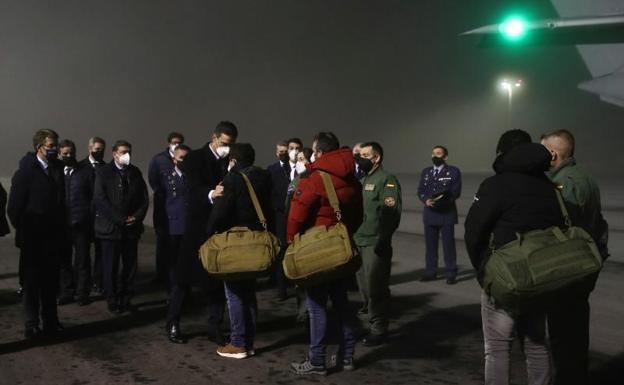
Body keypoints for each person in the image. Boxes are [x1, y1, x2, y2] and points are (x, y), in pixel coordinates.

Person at [464, 129, 563, 385]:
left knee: (497, 349)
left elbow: (474, 231)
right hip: (540, 275)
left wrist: (484, 270)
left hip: (505, 277)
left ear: (502, 152)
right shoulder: (549, 187)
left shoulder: (495, 185)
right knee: (536, 344)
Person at [287, 132, 363, 375]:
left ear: (319, 152)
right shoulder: (352, 178)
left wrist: (292, 241)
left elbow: (297, 214)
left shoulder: (315, 177)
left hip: (317, 250)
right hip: (340, 249)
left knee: (317, 305)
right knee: (342, 303)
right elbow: (359, 214)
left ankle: (317, 360)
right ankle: (347, 356)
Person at [540, 129, 609, 385]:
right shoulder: (584, 177)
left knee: (563, 335)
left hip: (570, 267)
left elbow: (561, 228)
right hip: (586, 264)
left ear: (553, 154)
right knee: (577, 332)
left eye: (541, 151)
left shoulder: (565, 183)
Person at [171, 121, 237, 344]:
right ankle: (173, 323)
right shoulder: (195, 158)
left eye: (230, 144)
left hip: (220, 228)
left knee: (217, 279)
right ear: (214, 137)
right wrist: (211, 193)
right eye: (223, 143)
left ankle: (215, 326)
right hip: (197, 226)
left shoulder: (230, 161)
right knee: (184, 279)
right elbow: (192, 187)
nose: (226, 148)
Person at [208, 143, 273, 359]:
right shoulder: (264, 178)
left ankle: (237, 343)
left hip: (235, 242)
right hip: (256, 242)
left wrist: (209, 232)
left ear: (233, 160)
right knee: (249, 293)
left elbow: (221, 212)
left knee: (234, 294)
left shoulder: (232, 179)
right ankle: (249, 342)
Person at [8, 129, 66, 339]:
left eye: (55, 145)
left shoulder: (58, 169)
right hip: (33, 238)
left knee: (51, 283)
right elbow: (14, 208)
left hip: (53, 237)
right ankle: (32, 324)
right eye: (51, 146)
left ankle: (51, 321)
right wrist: (26, 230)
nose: (55, 149)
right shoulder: (25, 172)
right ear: (39, 147)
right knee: (32, 284)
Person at [353, 142, 402, 347]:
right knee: (364, 288)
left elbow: (390, 214)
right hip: (360, 241)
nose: (360, 158)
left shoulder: (386, 180)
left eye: (365, 155)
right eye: (359, 154)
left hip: (375, 242)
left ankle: (378, 329)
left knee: (376, 289)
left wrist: (383, 240)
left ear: (376, 158)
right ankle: (369, 324)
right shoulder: (362, 180)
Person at [93, 140, 149, 314]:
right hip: (111, 229)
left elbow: (144, 199)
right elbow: (100, 200)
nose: (127, 155)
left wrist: (137, 217)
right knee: (110, 266)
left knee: (130, 266)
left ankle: (126, 298)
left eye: (129, 151)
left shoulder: (135, 172)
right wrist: (120, 219)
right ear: (114, 153)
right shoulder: (103, 172)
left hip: (131, 230)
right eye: (123, 152)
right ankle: (112, 298)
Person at [57, 139, 95, 306]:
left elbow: (94, 197)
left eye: (71, 152)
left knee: (82, 260)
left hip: (81, 224)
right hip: (62, 225)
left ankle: (82, 293)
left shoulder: (86, 172)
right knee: (63, 260)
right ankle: (66, 291)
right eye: (65, 153)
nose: (69, 156)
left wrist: (89, 217)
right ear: (59, 154)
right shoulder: (56, 173)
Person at [417, 145, 461, 284]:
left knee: (449, 246)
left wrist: (440, 202)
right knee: (430, 246)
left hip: (446, 214)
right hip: (430, 213)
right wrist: (426, 200)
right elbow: (421, 190)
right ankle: (431, 272)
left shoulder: (453, 171)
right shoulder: (426, 172)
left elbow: (455, 192)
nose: (435, 156)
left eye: (439, 153)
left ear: (445, 157)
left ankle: (450, 273)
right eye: (433, 153)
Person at [160, 144, 190, 343]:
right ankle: (173, 322)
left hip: (192, 229)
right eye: (180, 158)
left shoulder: (193, 176)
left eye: (186, 158)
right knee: (178, 276)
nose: (183, 161)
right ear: (173, 159)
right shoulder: (167, 177)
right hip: (174, 228)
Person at [148, 132, 185, 288]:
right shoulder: (159, 160)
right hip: (163, 206)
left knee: (178, 244)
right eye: (174, 142)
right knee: (162, 241)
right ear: (169, 143)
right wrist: (163, 193)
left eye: (179, 142)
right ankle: (161, 274)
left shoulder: (186, 157)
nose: (176, 144)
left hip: (179, 209)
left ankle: (177, 275)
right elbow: (153, 179)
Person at [267, 138, 302, 300]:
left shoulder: (302, 169)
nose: (293, 151)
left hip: (298, 214)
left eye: (297, 148)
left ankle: (299, 285)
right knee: (282, 250)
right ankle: (282, 288)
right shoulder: (274, 170)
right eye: (291, 148)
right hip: (281, 215)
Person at [285, 147, 313, 323]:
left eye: (304, 158)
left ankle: (311, 314)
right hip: (297, 236)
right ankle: (303, 313)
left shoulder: (316, 180)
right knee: (299, 279)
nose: (300, 161)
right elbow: (288, 207)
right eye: (299, 158)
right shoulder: (295, 181)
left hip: (312, 235)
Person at [78, 136, 107, 294]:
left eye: (102, 149)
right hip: (84, 219)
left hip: (101, 218)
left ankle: (98, 282)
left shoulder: (107, 168)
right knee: (82, 255)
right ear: (89, 149)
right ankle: (83, 285)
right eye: (97, 149)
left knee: (101, 253)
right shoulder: (80, 167)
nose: (99, 152)